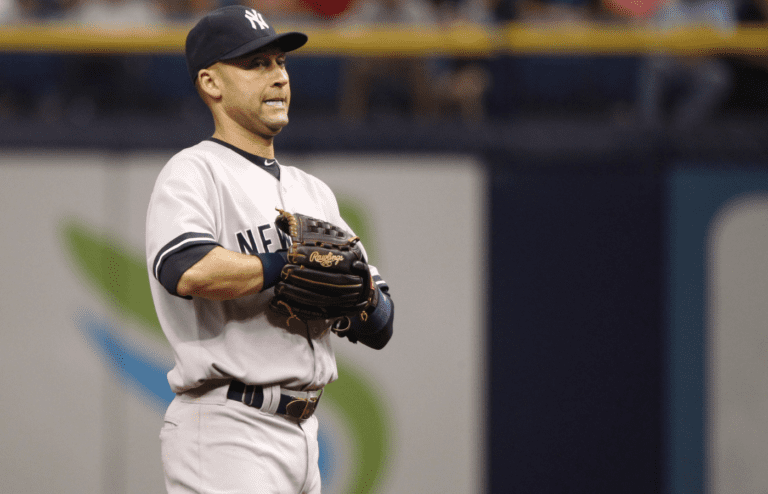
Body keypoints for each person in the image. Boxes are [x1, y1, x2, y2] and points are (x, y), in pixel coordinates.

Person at [144, 6, 395, 493]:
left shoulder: (314, 193)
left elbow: (382, 321)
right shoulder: (194, 172)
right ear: (211, 84)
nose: (278, 77)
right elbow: (187, 269)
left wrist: (360, 296)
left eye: (281, 62)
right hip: (227, 428)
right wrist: (286, 265)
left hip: (306, 432)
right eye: (256, 65)